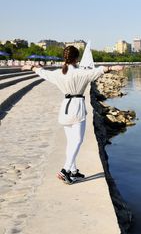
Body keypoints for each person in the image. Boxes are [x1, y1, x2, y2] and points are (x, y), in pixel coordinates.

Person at [22, 46, 124, 184]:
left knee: (71, 142)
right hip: (77, 109)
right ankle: (65, 170)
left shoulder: (59, 73)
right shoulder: (80, 73)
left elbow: (43, 73)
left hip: (65, 109)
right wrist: (113, 68)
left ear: (65, 58)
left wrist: (32, 68)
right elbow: (98, 70)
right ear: (76, 59)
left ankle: (73, 171)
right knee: (77, 141)